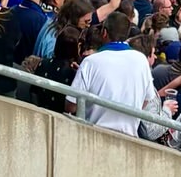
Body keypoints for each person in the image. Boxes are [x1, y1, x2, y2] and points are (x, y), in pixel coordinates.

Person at [72, 10, 175, 138]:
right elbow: (145, 102)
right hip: (126, 138)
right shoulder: (141, 60)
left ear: (104, 33)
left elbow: (71, 105)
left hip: (91, 135)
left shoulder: (90, 62)